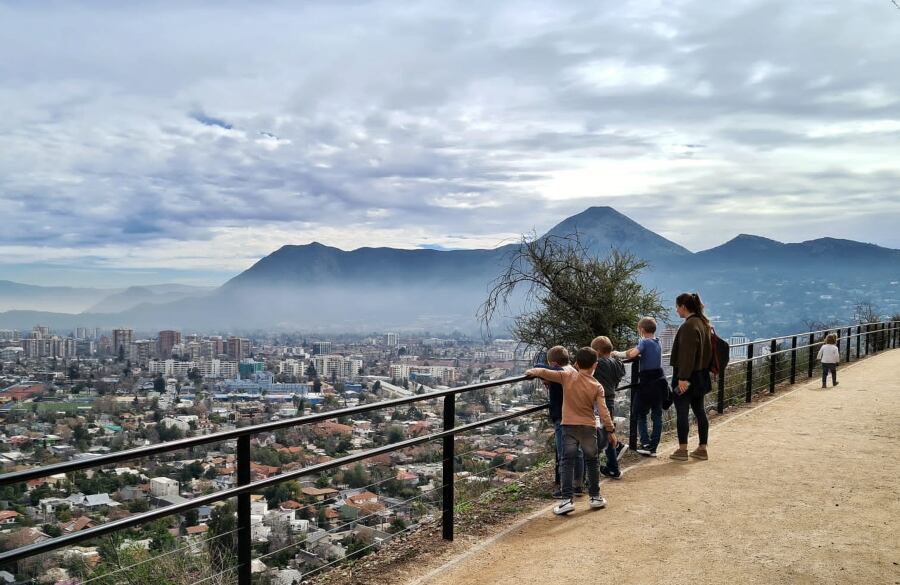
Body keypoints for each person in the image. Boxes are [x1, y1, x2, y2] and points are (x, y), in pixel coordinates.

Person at [527, 347, 616, 515]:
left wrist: (532, 372)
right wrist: (610, 430)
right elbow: (603, 411)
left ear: (577, 364)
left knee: (567, 461)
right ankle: (595, 497)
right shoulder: (597, 386)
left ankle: (566, 500)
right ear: (595, 365)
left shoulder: (567, 377)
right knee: (592, 461)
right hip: (588, 427)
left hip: (569, 426)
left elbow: (545, 372)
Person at [669, 293, 712, 461]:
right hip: (701, 375)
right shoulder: (703, 323)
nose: (676, 310)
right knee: (700, 411)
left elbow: (687, 355)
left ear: (683, 307)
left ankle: (682, 450)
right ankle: (702, 448)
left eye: (677, 306)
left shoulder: (688, 326)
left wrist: (683, 378)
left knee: (682, 412)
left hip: (686, 377)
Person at [615, 317, 667, 457]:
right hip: (659, 382)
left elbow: (633, 354)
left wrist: (617, 354)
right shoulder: (657, 341)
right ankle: (653, 447)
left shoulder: (644, 341)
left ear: (642, 330)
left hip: (647, 383)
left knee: (639, 413)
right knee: (657, 415)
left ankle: (645, 443)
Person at [540, 346, 584, 498]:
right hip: (576, 415)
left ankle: (566, 488)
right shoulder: (572, 370)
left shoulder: (558, 374)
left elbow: (538, 367)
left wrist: (545, 374)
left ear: (553, 364)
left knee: (564, 454)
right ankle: (578, 485)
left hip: (562, 417)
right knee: (577, 451)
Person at [591, 336, 627, 479]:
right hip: (610, 398)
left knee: (601, 431)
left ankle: (617, 447)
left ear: (597, 352)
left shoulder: (598, 363)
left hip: (599, 400)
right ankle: (613, 468)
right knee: (607, 429)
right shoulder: (617, 363)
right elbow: (621, 369)